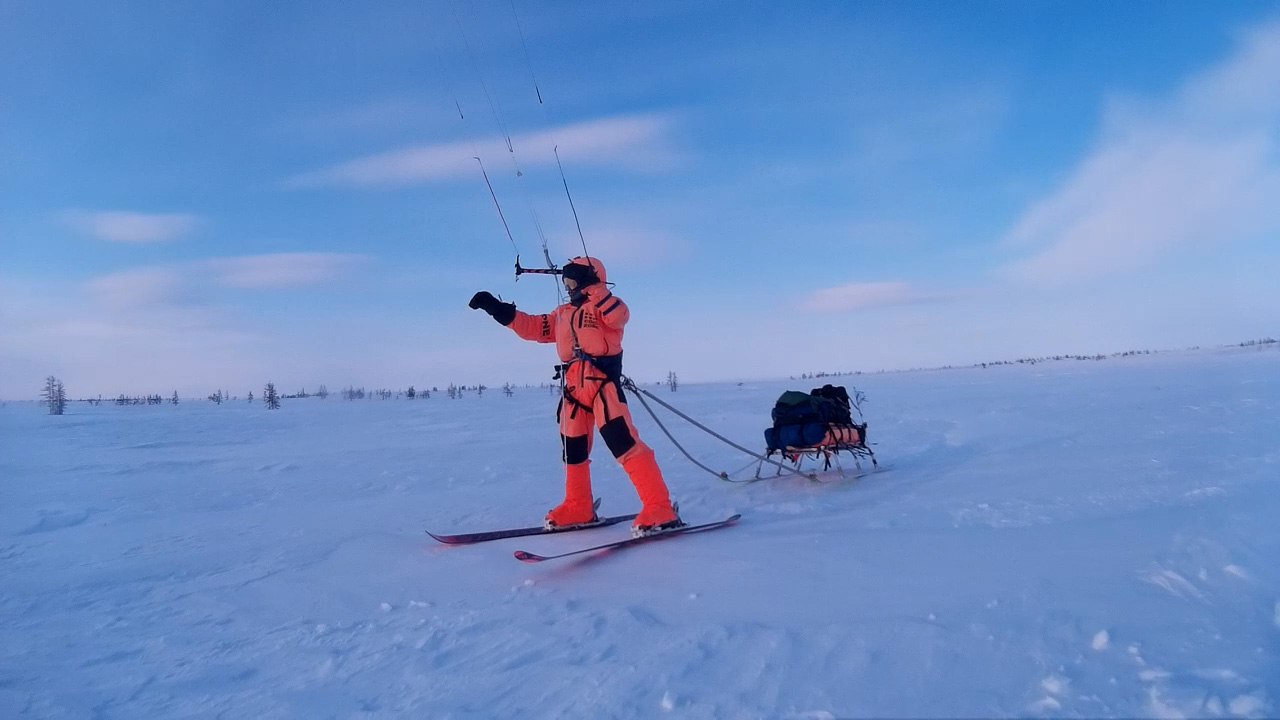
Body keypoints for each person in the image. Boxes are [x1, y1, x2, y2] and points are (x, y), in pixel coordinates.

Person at [469, 256, 683, 537]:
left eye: (572, 281)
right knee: (573, 450)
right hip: (573, 390)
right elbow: (533, 327)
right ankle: (578, 506)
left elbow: (618, 317)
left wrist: (596, 289)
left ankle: (660, 508)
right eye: (566, 282)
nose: (568, 288)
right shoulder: (562, 314)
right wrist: (496, 309)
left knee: (624, 444)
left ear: (587, 280)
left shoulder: (608, 305)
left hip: (603, 387)